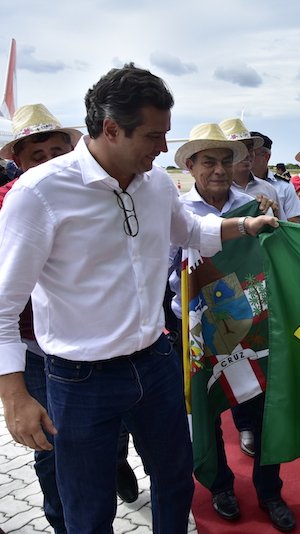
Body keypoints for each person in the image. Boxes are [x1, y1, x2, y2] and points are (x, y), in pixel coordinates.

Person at [0, 63, 278, 533]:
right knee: (88, 509)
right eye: (153, 136)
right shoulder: (39, 194)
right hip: (79, 381)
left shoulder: (155, 184)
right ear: (111, 129)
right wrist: (14, 395)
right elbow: (5, 304)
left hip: (155, 363)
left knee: (174, 484)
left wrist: (245, 226)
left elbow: (188, 230)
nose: (164, 149)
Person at [169, 123, 295, 531]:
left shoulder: (254, 205)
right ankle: (220, 486)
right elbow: (163, 272)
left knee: (261, 412)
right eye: (209, 162)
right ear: (190, 165)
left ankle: (270, 491)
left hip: (252, 328)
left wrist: (266, 218)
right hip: (196, 330)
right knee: (207, 410)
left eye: (226, 160)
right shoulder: (178, 212)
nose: (219, 170)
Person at [0, 104, 82, 534]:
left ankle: (114, 467)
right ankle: (62, 522)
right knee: (49, 441)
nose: (50, 162)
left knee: (99, 435)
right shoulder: (9, 202)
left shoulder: (94, 192)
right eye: (38, 156)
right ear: (17, 162)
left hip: (91, 347)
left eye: (57, 151)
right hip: (35, 347)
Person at [219, 118, 280, 216]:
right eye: (239, 149)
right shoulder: (213, 191)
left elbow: (281, 226)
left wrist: (271, 213)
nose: (247, 154)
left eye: (250, 147)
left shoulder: (268, 189)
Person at [251, 131, 300, 223]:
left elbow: (293, 222)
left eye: (252, 154)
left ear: (266, 157)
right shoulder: (232, 184)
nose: (246, 157)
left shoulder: (284, 186)